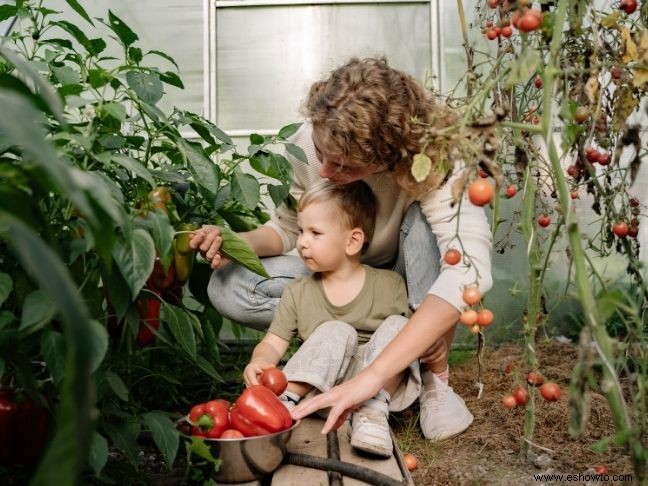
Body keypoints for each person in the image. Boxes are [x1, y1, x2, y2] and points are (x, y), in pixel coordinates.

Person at [190, 56, 493, 440]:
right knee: (229, 284)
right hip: (338, 272)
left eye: (347, 167)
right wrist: (233, 243)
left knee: (429, 233)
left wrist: (373, 378)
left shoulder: (436, 158)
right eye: (322, 156)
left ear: (388, 158)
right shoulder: (308, 143)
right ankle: (343, 349)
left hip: (403, 284)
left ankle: (431, 376)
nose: (328, 174)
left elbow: (469, 269)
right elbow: (286, 229)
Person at [243, 180, 420, 457]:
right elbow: (273, 344)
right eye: (301, 231)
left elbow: (412, 345)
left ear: (352, 241)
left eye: (315, 233)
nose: (301, 242)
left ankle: (371, 414)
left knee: (402, 327)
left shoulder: (390, 285)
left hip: (374, 388)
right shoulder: (297, 292)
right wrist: (259, 362)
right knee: (338, 330)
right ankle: (287, 401)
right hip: (320, 387)